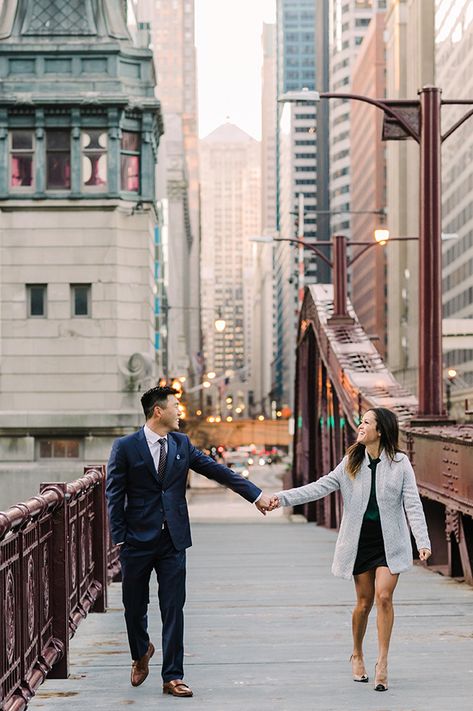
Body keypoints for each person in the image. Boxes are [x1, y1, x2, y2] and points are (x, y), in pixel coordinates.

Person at [106, 385, 271, 697]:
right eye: (175, 406)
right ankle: (140, 651)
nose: (179, 412)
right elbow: (113, 495)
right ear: (158, 411)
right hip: (136, 540)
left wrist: (256, 496)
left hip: (174, 539)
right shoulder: (125, 447)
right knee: (133, 607)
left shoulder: (181, 443)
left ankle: (173, 676)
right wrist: (119, 539)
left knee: (173, 608)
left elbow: (218, 472)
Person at [267, 407, 431, 692]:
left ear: (381, 431)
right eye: (361, 421)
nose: (360, 426)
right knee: (364, 603)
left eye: (366, 422)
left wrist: (423, 540)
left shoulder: (401, 463)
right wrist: (279, 499)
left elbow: (413, 504)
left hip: (390, 543)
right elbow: (317, 488)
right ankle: (357, 652)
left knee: (384, 597)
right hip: (360, 544)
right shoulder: (351, 463)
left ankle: (382, 662)